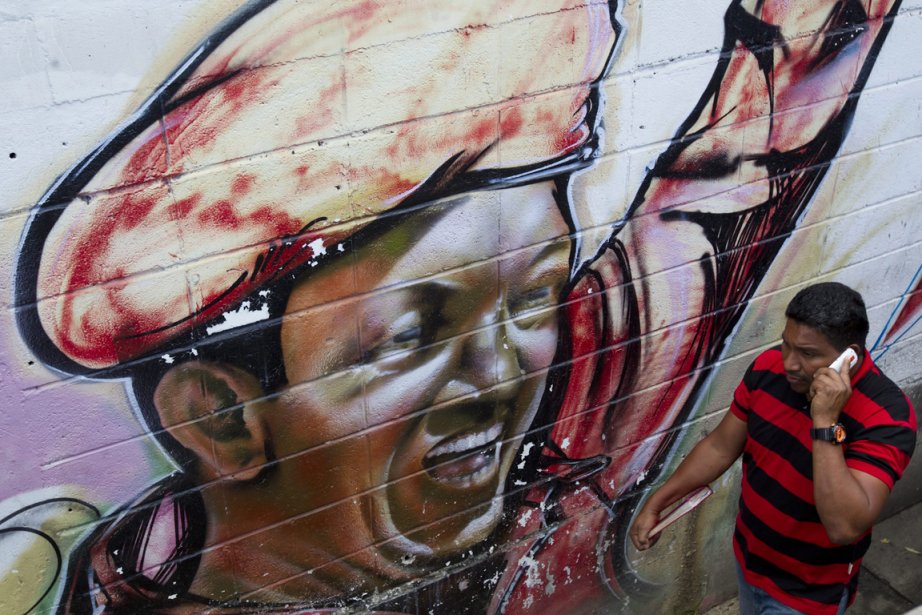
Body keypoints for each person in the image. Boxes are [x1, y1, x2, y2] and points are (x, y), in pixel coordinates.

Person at [10, 0, 907, 612]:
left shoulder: (549, 436)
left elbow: (736, 168)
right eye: (413, 334)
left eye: (537, 295)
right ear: (222, 416)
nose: (508, 374)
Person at [630, 282, 917, 615]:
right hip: (749, 562)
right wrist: (657, 503)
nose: (790, 363)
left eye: (807, 354)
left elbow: (844, 527)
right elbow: (720, 447)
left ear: (848, 357)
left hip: (808, 595)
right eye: (786, 344)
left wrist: (825, 421)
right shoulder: (768, 368)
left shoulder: (887, 416)